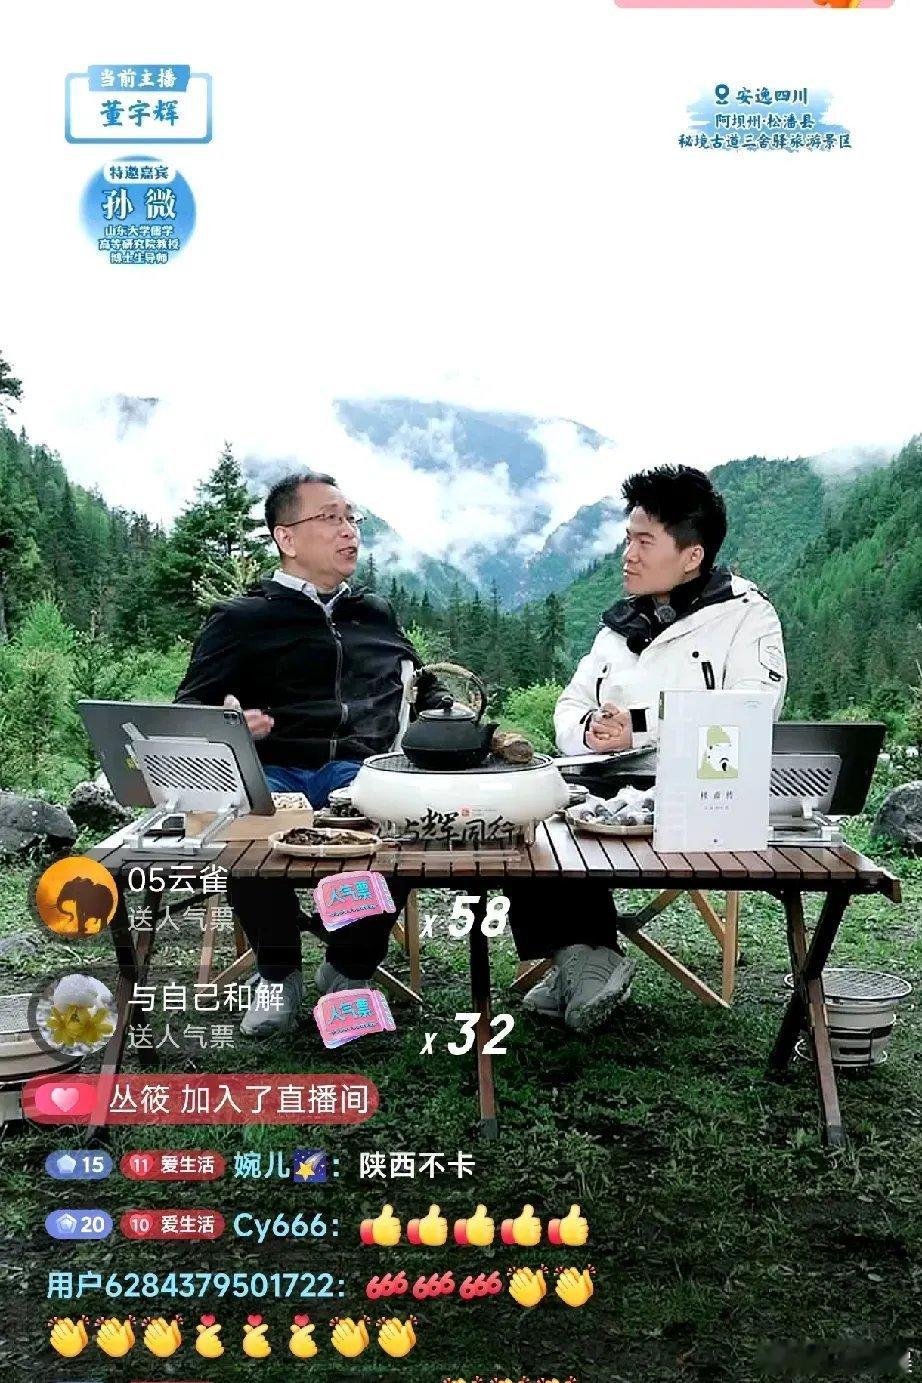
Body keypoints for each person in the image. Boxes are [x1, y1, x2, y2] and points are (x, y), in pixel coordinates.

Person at [175, 469, 447, 1037]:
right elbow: (189, 709)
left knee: (398, 820)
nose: (349, 531)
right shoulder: (242, 618)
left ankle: (349, 965)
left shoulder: (374, 612)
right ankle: (278, 973)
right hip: (273, 767)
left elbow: (422, 685)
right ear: (287, 538)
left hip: (359, 768)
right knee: (246, 818)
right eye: (330, 518)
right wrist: (230, 722)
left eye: (351, 518)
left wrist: (452, 716)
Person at [522, 463, 787, 1026]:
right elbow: (569, 707)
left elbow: (754, 712)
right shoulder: (617, 627)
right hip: (602, 786)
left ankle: (582, 962)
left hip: (692, 791)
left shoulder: (745, 616)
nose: (628, 555)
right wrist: (590, 728)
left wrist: (639, 728)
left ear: (692, 556)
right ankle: (586, 957)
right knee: (525, 810)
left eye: (644, 542)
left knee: (563, 826)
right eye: (628, 539)